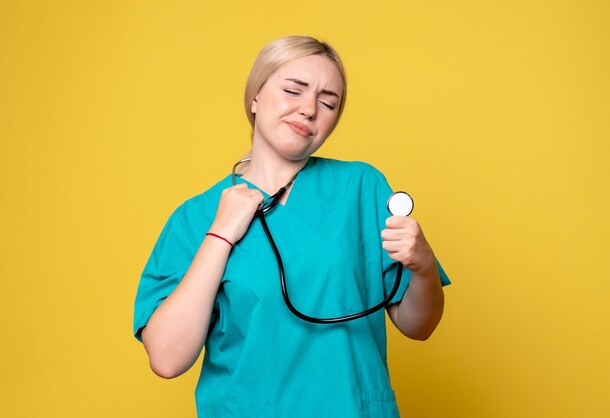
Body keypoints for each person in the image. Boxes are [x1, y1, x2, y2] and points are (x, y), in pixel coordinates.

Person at [133, 35, 451, 418]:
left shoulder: (361, 188)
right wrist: (220, 234)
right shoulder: (195, 218)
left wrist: (424, 265)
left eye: (328, 102)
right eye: (293, 90)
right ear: (255, 97)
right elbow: (167, 359)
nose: (309, 109)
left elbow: (418, 326)